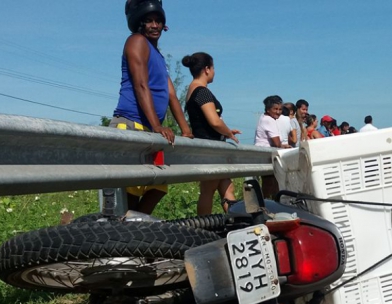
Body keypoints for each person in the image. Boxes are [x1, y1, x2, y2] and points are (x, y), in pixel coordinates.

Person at [111, 0, 193, 214]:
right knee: (130, 195)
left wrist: (186, 130)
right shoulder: (136, 41)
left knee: (158, 185)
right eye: (149, 21)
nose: (154, 25)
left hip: (150, 129)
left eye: (158, 21)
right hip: (131, 124)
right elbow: (140, 84)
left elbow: (171, 95)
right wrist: (157, 126)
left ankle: (135, 228)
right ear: (139, 23)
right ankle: (127, 230)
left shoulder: (157, 54)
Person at [182, 52, 240, 215]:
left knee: (227, 188)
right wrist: (228, 133)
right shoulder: (202, 91)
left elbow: (207, 122)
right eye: (213, 68)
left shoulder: (192, 90)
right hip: (210, 148)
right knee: (208, 190)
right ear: (207, 69)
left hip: (211, 146)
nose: (214, 72)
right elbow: (214, 121)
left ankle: (236, 221)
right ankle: (203, 225)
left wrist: (226, 131)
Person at [253, 95, 285, 197]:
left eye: (280, 109)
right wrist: (284, 146)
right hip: (267, 155)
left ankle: (268, 201)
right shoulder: (269, 120)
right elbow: (277, 143)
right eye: (275, 109)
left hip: (262, 153)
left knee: (269, 182)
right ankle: (268, 202)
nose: (278, 112)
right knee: (271, 182)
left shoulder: (263, 117)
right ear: (268, 109)